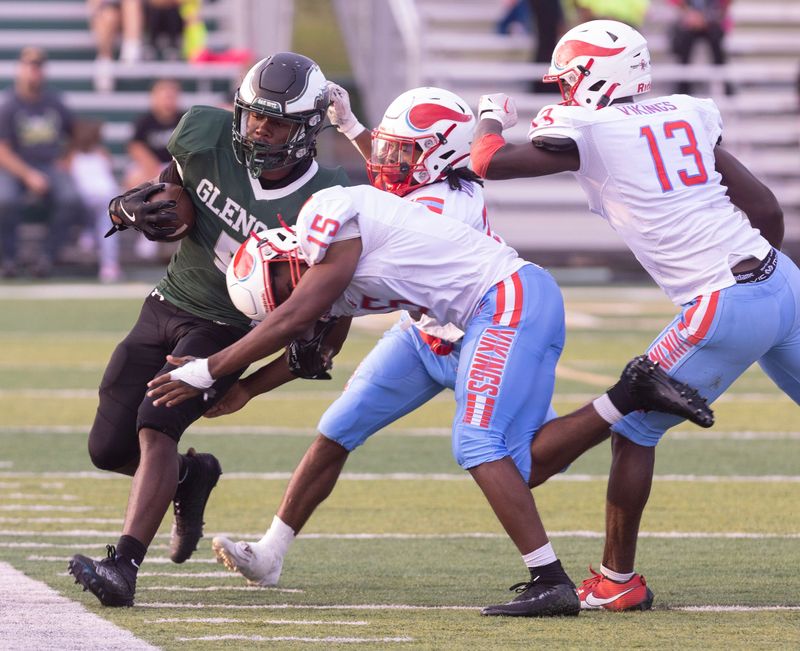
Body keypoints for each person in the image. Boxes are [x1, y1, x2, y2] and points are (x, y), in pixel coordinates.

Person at [146, 184, 712, 617]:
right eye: (279, 297)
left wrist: (209, 368)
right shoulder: (325, 281)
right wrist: (245, 388)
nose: (292, 294)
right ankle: (628, 393)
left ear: (285, 248)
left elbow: (298, 315)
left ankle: (550, 579)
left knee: (481, 446)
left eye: (283, 282)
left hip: (503, 302)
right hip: (440, 328)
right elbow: (313, 348)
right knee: (358, 429)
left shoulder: (326, 213)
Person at [469, 19, 798, 611]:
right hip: (783, 280)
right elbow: (767, 209)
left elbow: (487, 161)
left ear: (593, 77)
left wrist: (490, 117)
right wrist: (761, 280)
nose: (564, 91)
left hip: (722, 300)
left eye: (568, 79)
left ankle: (617, 582)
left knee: (632, 427)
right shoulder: (687, 112)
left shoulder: (588, 126)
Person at [66, 52, 350, 608]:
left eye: (278, 122)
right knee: (107, 448)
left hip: (230, 330)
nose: (260, 129)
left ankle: (123, 567)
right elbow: (164, 193)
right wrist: (126, 208)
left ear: (308, 128)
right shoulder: (204, 133)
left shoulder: (329, 200)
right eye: (255, 115)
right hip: (168, 300)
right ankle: (189, 477)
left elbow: (325, 333)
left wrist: (248, 385)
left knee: (156, 422)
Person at [208, 84, 515, 587]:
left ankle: (612, 416)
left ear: (441, 154)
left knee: (525, 456)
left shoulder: (444, 208)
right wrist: (352, 127)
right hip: (420, 336)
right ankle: (270, 553)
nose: (388, 160)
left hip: (478, 338)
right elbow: (402, 170)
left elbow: (383, 203)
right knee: (336, 430)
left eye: (402, 151)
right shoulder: (440, 178)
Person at [0, 47, 82, 278]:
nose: (34, 71)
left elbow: (75, 133)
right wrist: (28, 175)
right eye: (29, 65)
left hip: (49, 164)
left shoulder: (54, 101)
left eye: (38, 66)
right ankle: (8, 259)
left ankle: (46, 257)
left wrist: (67, 159)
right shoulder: (9, 104)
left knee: (70, 199)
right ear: (19, 69)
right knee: (4, 200)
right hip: (15, 167)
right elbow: (2, 151)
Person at [124, 78, 184, 261]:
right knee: (137, 179)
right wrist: (151, 165)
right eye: (164, 95)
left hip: (176, 166)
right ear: (154, 98)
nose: (168, 100)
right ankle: (146, 229)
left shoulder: (184, 120)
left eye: (171, 96)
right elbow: (135, 146)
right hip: (151, 167)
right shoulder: (145, 121)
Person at [67, 118, 122, 283]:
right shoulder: (98, 153)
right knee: (105, 225)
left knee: (102, 220)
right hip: (103, 197)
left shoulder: (74, 155)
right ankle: (109, 265)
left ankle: (89, 235)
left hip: (100, 197)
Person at [668, 0, 733, 96]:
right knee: (683, 46)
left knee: (717, 46)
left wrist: (708, 18)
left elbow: (725, 5)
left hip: (712, 21)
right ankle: (683, 87)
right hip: (689, 22)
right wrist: (689, 14)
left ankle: (726, 85)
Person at [87, 0, 144, 92]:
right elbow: (94, 6)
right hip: (109, 13)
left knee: (131, 3)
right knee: (108, 16)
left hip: (137, 12)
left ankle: (131, 50)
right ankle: (105, 59)